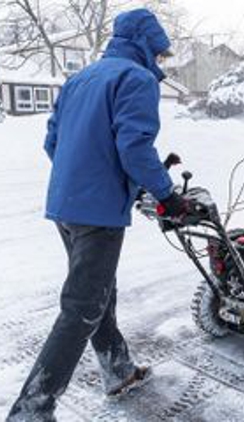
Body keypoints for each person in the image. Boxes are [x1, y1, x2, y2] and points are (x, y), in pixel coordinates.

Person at [7, 8, 188, 422]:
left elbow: (54, 141)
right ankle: (31, 411)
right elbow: (133, 148)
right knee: (82, 307)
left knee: (97, 292)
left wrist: (86, 174)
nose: (160, 62)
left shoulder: (80, 78)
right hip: (98, 212)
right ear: (146, 45)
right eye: (159, 54)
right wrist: (166, 194)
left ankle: (118, 370)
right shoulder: (136, 79)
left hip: (64, 206)